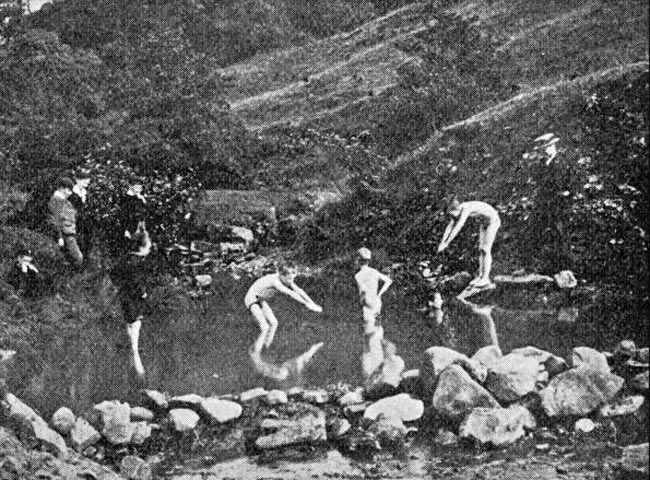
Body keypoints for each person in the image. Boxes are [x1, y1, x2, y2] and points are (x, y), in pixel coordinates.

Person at [109, 226, 153, 377]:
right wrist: (143, 293)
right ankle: (135, 354)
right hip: (134, 297)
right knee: (136, 323)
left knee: (130, 321)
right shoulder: (138, 262)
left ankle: (132, 354)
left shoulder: (126, 258)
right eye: (148, 245)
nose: (150, 247)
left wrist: (120, 286)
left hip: (125, 295)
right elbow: (137, 280)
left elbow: (114, 272)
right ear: (142, 247)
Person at [244, 266, 322, 349]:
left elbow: (299, 290)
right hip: (252, 298)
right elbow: (290, 293)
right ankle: (256, 354)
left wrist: (312, 303)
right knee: (265, 327)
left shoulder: (285, 278)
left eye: (292, 278)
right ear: (282, 275)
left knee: (274, 323)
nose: (290, 281)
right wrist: (306, 304)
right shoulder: (274, 281)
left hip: (261, 299)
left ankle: (267, 346)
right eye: (289, 279)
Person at [437, 198, 501, 287]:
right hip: (484, 223)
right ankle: (480, 276)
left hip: (493, 221)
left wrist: (447, 243)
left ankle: (485, 278)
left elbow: (458, 226)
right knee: (480, 249)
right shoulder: (457, 210)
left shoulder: (466, 209)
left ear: (456, 209)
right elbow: (450, 226)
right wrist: (442, 242)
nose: (453, 216)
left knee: (485, 249)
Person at [354, 247, 392, 335]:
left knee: (366, 331)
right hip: (377, 303)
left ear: (358, 260)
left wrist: (361, 303)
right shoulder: (374, 271)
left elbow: (362, 292)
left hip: (367, 305)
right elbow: (389, 281)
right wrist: (379, 294)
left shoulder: (358, 275)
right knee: (378, 326)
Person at [47, 177, 83, 267]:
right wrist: (60, 237)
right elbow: (55, 219)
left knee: (75, 258)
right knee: (78, 258)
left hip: (69, 234)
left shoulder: (65, 201)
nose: (70, 193)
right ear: (62, 189)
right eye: (68, 190)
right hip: (64, 235)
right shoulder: (56, 200)